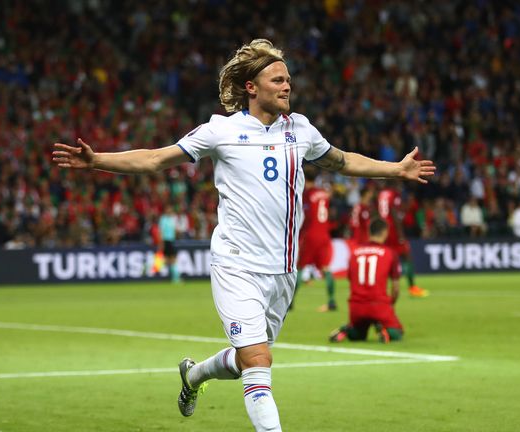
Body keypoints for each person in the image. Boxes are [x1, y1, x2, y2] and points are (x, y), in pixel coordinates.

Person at [52, 39, 435, 431]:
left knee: (248, 359)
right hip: (236, 265)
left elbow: (342, 161)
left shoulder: (300, 131)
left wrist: (396, 170)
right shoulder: (221, 131)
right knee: (258, 361)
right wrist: (97, 161)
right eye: (278, 79)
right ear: (252, 87)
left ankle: (195, 375)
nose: (287, 87)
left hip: (283, 272)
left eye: (288, 80)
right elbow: (155, 159)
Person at [329, 218, 403, 343]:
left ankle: (347, 330)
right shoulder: (390, 253)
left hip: (356, 307)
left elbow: (351, 280)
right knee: (397, 332)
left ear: (369, 232)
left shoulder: (355, 252)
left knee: (358, 335)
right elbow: (395, 288)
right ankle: (385, 332)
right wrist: (391, 302)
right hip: (379, 305)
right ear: (385, 232)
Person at [295, 166, 337, 312]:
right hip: (324, 234)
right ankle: (332, 301)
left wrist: (300, 234)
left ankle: (290, 303)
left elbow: (307, 216)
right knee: (326, 268)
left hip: (311, 234)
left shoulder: (307, 194)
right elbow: (330, 212)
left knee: (299, 268)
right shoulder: (324, 194)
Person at [377, 181, 429, 297]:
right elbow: (394, 214)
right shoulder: (394, 194)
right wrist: (400, 234)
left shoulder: (381, 194)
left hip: (383, 230)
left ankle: (380, 288)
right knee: (406, 256)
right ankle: (412, 288)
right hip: (393, 231)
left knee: (385, 259)